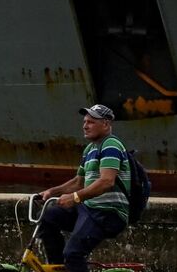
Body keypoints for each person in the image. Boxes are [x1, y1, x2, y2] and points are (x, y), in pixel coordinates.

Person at [33, 104, 131, 272]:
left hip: (107, 212)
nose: (85, 125)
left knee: (73, 254)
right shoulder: (89, 149)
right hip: (89, 208)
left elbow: (107, 181)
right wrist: (51, 192)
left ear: (106, 124)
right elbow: (78, 182)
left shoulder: (111, 145)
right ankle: (60, 268)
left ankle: (70, 263)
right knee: (47, 217)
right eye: (85, 121)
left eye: (91, 122)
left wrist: (75, 198)